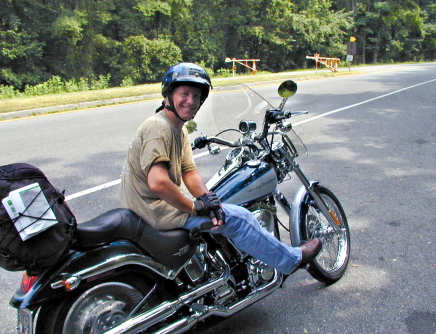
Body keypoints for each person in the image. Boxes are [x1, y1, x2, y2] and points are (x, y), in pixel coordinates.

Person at [120, 62, 322, 274]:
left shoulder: (178, 130)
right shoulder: (158, 126)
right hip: (153, 213)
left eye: (197, 96)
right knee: (241, 218)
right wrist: (194, 207)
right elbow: (158, 183)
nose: (191, 101)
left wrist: (210, 201)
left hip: (147, 210)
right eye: (184, 94)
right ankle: (292, 259)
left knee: (222, 208)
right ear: (169, 94)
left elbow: (189, 171)